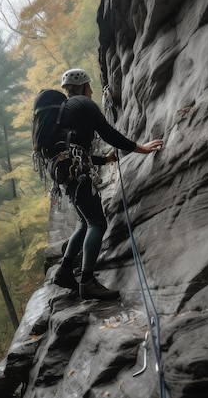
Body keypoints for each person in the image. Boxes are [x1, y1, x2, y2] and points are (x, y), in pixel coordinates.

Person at [52, 68, 163, 300]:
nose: (92, 90)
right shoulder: (83, 103)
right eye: (89, 85)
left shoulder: (66, 112)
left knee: (84, 222)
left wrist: (105, 159)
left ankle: (64, 270)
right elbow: (107, 132)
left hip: (65, 172)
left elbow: (74, 149)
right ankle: (88, 281)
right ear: (82, 86)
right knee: (97, 223)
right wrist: (140, 148)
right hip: (77, 170)